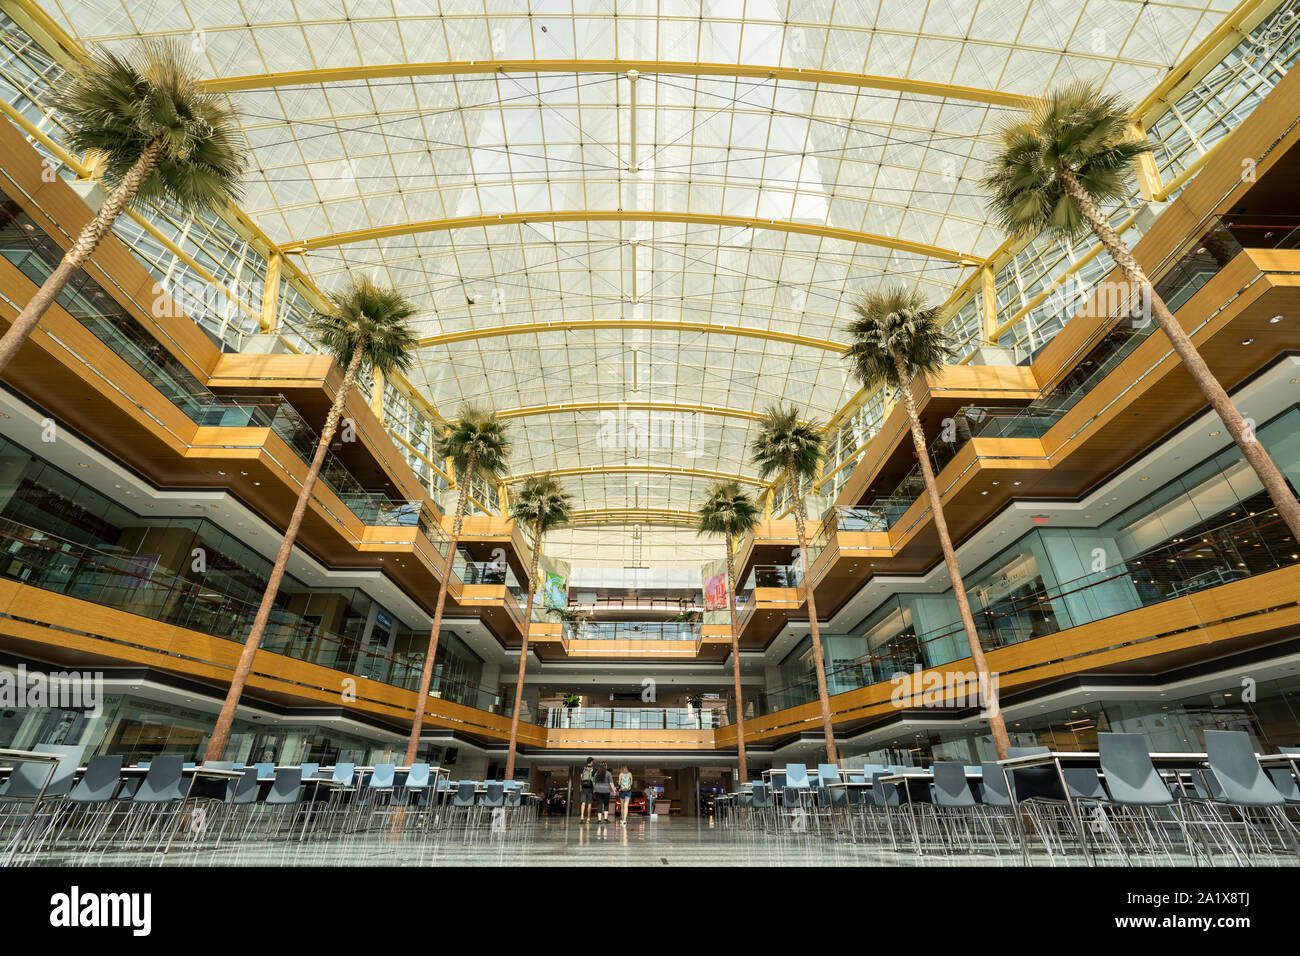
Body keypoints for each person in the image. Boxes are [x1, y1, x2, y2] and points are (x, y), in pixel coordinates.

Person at [578, 757, 595, 822]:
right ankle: (588, 818)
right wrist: (594, 788)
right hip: (590, 788)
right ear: (591, 762)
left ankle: (582, 816)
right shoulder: (593, 770)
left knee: (583, 803)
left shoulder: (583, 769)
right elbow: (593, 780)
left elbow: (581, 779)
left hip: (583, 788)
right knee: (589, 803)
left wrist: (580, 787)